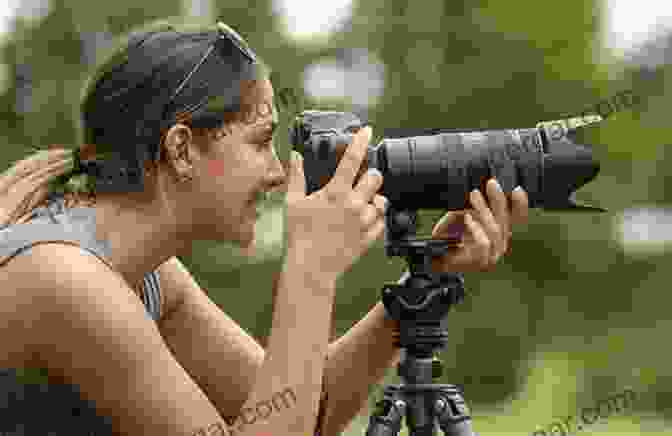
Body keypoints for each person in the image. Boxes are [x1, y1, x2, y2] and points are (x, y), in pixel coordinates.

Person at [0, 17, 529, 436]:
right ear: (181, 148)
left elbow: (305, 415)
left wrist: (427, 278)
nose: (279, 174)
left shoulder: (152, 276)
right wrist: (310, 271)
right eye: (260, 142)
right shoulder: (65, 279)